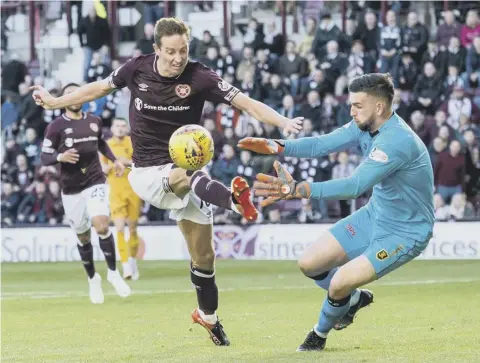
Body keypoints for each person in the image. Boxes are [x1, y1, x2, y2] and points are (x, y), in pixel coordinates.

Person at [31, 17, 302, 346]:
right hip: (147, 173)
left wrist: (283, 121)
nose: (178, 58)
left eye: (183, 51)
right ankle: (232, 200)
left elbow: (245, 103)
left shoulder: (200, 76)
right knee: (186, 174)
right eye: (171, 51)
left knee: (204, 256)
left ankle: (208, 318)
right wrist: (56, 102)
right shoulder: (136, 69)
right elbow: (100, 87)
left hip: (188, 173)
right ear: (156, 49)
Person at [238, 73, 435, 351]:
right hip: (374, 215)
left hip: (405, 232)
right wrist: (277, 146)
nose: (351, 111)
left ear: (379, 107)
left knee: (339, 282)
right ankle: (353, 301)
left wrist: (299, 189)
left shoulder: (397, 141)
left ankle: (318, 335)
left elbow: (354, 185)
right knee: (309, 263)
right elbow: (321, 144)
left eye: (357, 105)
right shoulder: (364, 125)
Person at [40, 83, 131, 304]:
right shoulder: (55, 126)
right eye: (69, 94)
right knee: (83, 237)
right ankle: (93, 279)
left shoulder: (94, 121)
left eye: (78, 92)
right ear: (62, 99)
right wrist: (60, 157)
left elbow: (101, 144)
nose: (75, 97)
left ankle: (113, 273)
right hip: (71, 188)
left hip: (95, 181)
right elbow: (44, 158)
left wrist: (115, 160)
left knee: (101, 225)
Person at [101, 117, 141, 280]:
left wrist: (127, 162)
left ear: (127, 129)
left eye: (123, 126)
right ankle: (125, 266)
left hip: (133, 189)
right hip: (115, 190)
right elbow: (102, 168)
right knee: (119, 228)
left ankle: (132, 260)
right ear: (112, 128)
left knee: (132, 228)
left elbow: (141, 164)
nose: (120, 128)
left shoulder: (133, 143)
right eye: (117, 125)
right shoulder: (106, 145)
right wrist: (115, 164)